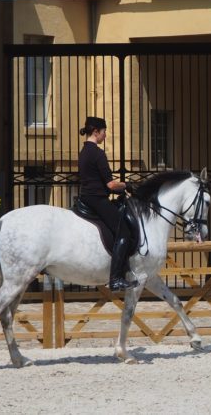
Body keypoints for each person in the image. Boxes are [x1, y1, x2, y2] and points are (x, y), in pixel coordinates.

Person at [78, 115, 134, 291]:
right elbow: (110, 184)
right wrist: (127, 185)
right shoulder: (97, 153)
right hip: (97, 199)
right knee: (124, 232)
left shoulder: (84, 151)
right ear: (96, 132)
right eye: (104, 132)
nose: (105, 136)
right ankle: (116, 277)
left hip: (86, 197)